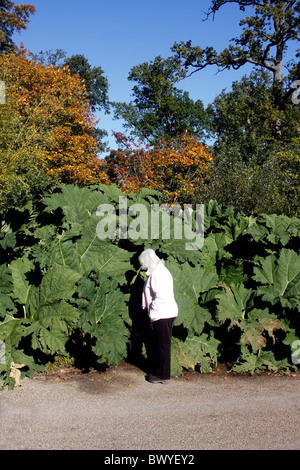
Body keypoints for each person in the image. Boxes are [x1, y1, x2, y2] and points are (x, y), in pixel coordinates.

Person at [138, 248, 178, 384]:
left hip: (163, 314)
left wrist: (153, 311)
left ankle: (163, 375)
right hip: (164, 313)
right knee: (160, 344)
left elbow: (160, 296)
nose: (142, 267)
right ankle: (159, 371)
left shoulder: (158, 274)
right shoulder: (159, 271)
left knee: (163, 345)